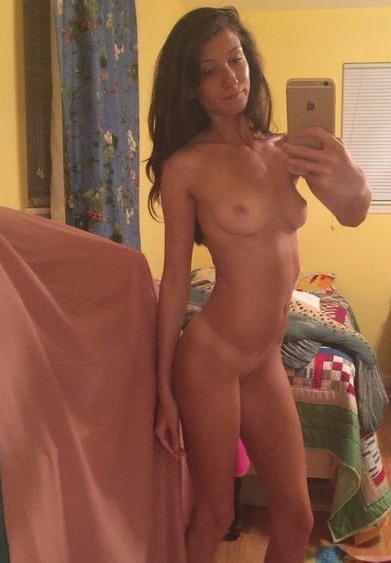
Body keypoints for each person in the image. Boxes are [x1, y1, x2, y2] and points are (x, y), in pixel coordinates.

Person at [146, 7, 370, 562]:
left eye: (236, 59)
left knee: (296, 517)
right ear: (190, 87)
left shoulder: (286, 151)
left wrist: (347, 170)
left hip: (263, 358)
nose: (231, 78)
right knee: (215, 514)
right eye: (210, 70)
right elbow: (175, 281)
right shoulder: (186, 167)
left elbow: (353, 214)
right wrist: (163, 388)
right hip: (212, 360)